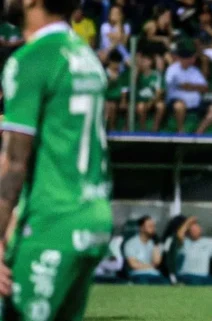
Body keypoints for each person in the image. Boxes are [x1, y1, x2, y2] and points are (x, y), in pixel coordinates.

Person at [0, 0, 112, 319]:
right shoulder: (86, 56)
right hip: (94, 215)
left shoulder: (32, 59)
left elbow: (14, 161)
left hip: (53, 219)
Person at [164, 46, 209, 134]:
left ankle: (199, 132)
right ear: (182, 59)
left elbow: (205, 88)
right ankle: (180, 132)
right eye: (190, 58)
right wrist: (192, 87)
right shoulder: (172, 69)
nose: (192, 60)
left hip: (196, 102)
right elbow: (170, 85)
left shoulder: (194, 70)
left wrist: (190, 86)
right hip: (176, 100)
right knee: (179, 106)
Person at [176, 217, 212, 285]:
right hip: (187, 275)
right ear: (188, 231)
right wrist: (188, 222)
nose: (194, 232)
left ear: (200, 230)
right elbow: (179, 235)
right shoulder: (185, 242)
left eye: (196, 229)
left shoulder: (209, 243)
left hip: (204, 277)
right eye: (192, 230)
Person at [123, 216, 168, 284]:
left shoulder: (155, 243)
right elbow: (133, 265)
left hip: (154, 274)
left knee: (166, 284)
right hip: (138, 274)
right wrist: (150, 266)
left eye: (154, 226)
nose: (153, 228)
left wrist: (156, 245)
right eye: (150, 226)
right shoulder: (131, 243)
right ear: (141, 228)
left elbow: (156, 263)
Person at [135, 51, 166, 132]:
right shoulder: (138, 75)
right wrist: (136, 72)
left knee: (161, 106)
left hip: (154, 100)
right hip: (141, 100)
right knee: (140, 107)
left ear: (150, 62)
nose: (142, 63)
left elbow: (159, 91)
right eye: (141, 61)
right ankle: (143, 129)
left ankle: (155, 129)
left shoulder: (156, 75)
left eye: (145, 61)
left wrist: (151, 102)